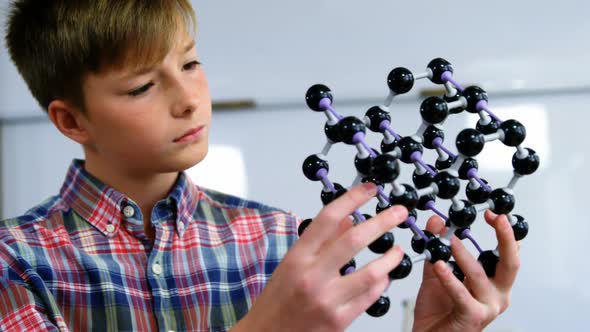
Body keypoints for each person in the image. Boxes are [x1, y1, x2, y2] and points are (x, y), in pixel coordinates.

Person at [0, 1, 520, 331]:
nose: (189, 100)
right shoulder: (14, 261)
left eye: (190, 64)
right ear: (72, 121)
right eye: (141, 87)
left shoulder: (280, 238)